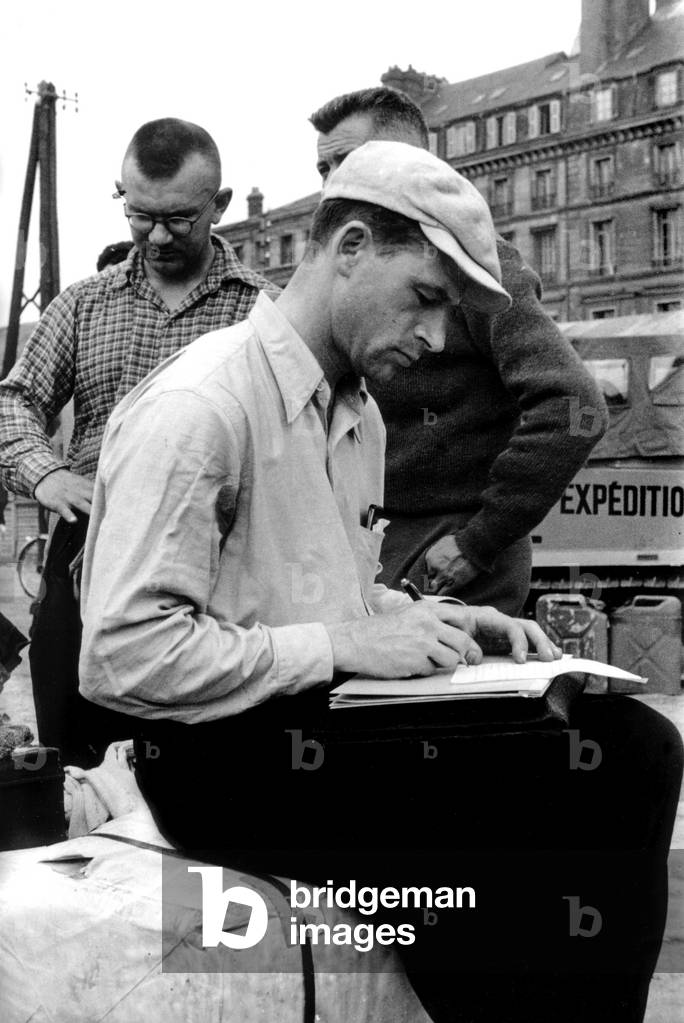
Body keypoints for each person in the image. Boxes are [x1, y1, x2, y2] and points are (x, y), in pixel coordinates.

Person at [79, 142, 682, 1023]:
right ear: (350, 246)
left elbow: (329, 590)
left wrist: (449, 619)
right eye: (429, 298)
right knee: (557, 808)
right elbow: (121, 657)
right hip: (211, 761)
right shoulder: (201, 407)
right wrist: (345, 644)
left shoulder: (356, 411)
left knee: (628, 741)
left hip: (307, 726)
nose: (438, 338)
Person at [0, 118, 273, 767]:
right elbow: (13, 400)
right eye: (139, 214)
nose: (155, 236)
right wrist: (45, 475)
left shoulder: (263, 314)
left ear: (220, 206)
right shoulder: (84, 304)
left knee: (198, 769)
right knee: (75, 764)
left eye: (178, 219)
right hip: (84, 553)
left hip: (215, 572)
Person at [311, 87, 609, 615]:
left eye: (350, 161)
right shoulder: (349, 273)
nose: (333, 184)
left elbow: (576, 406)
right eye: (324, 168)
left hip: (451, 555)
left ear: (417, 161)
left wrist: (480, 540)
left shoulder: (482, 273)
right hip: (371, 541)